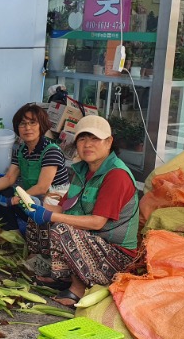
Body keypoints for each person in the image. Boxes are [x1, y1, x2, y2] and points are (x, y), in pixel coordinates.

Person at [24, 115, 139, 307]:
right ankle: (60, 276)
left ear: (109, 142)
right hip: (92, 242)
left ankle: (78, 288)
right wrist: (36, 205)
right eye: (82, 139)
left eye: (95, 139)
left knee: (63, 228)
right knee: (39, 220)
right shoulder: (83, 170)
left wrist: (52, 215)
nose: (88, 144)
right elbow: (65, 207)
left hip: (117, 255)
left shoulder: (116, 175)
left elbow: (97, 222)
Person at [0, 104, 71, 273]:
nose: (27, 128)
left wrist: (14, 200)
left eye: (32, 123)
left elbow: (43, 187)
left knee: (27, 202)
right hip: (32, 198)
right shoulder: (21, 150)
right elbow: (9, 178)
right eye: (22, 124)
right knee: (0, 192)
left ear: (42, 125)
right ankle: (14, 238)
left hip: (53, 204)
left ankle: (41, 253)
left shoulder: (51, 151)